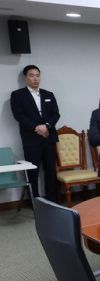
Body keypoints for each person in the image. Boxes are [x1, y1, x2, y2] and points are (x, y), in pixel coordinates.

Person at [10, 64, 60, 202]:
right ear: (26, 77)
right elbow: (19, 116)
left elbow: (55, 114)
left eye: (38, 75)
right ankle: (35, 201)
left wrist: (46, 126)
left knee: (50, 171)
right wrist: (37, 128)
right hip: (31, 140)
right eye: (32, 76)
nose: (35, 78)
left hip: (49, 138)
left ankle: (53, 200)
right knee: (33, 172)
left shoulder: (48, 94)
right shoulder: (17, 95)